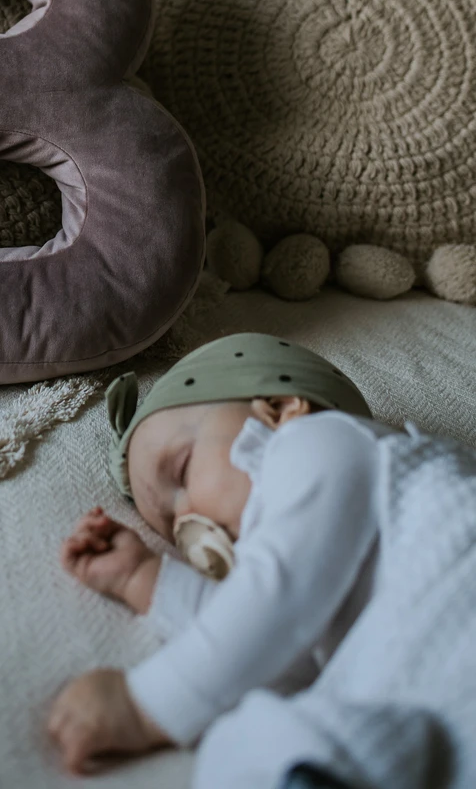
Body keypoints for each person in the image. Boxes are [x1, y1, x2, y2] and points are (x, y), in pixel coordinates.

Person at [47, 332, 476, 789]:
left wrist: (143, 704)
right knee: (246, 737)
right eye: (171, 527)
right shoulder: (305, 583)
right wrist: (145, 580)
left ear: (279, 409)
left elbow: (278, 598)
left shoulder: (323, 443)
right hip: (423, 697)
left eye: (184, 471)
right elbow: (274, 656)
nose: (190, 523)